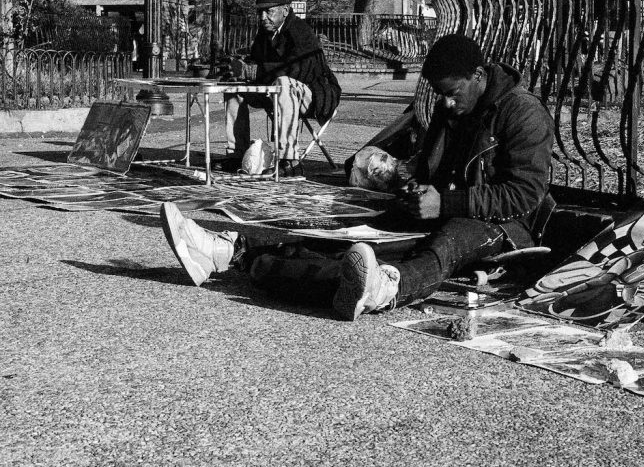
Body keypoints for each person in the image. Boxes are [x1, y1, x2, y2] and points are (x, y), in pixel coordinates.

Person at [159, 34, 556, 321]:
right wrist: (407, 178)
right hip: (444, 207)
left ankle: (387, 287)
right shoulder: (448, 109)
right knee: (352, 232)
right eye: (440, 94)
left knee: (447, 243)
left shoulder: (522, 112)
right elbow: (431, 166)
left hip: (504, 227)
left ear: (480, 75)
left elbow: (525, 194)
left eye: (453, 92)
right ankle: (233, 250)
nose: (448, 102)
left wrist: (446, 203)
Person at [216, 0, 341, 177]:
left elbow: (299, 71)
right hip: (276, 93)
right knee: (234, 88)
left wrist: (251, 71)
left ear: (285, 10)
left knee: (284, 83)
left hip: (314, 95)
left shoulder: (301, 31)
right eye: (260, 12)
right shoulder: (264, 34)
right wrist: (237, 68)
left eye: (269, 12)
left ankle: (289, 159)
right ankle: (236, 154)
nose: (263, 17)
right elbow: (257, 65)